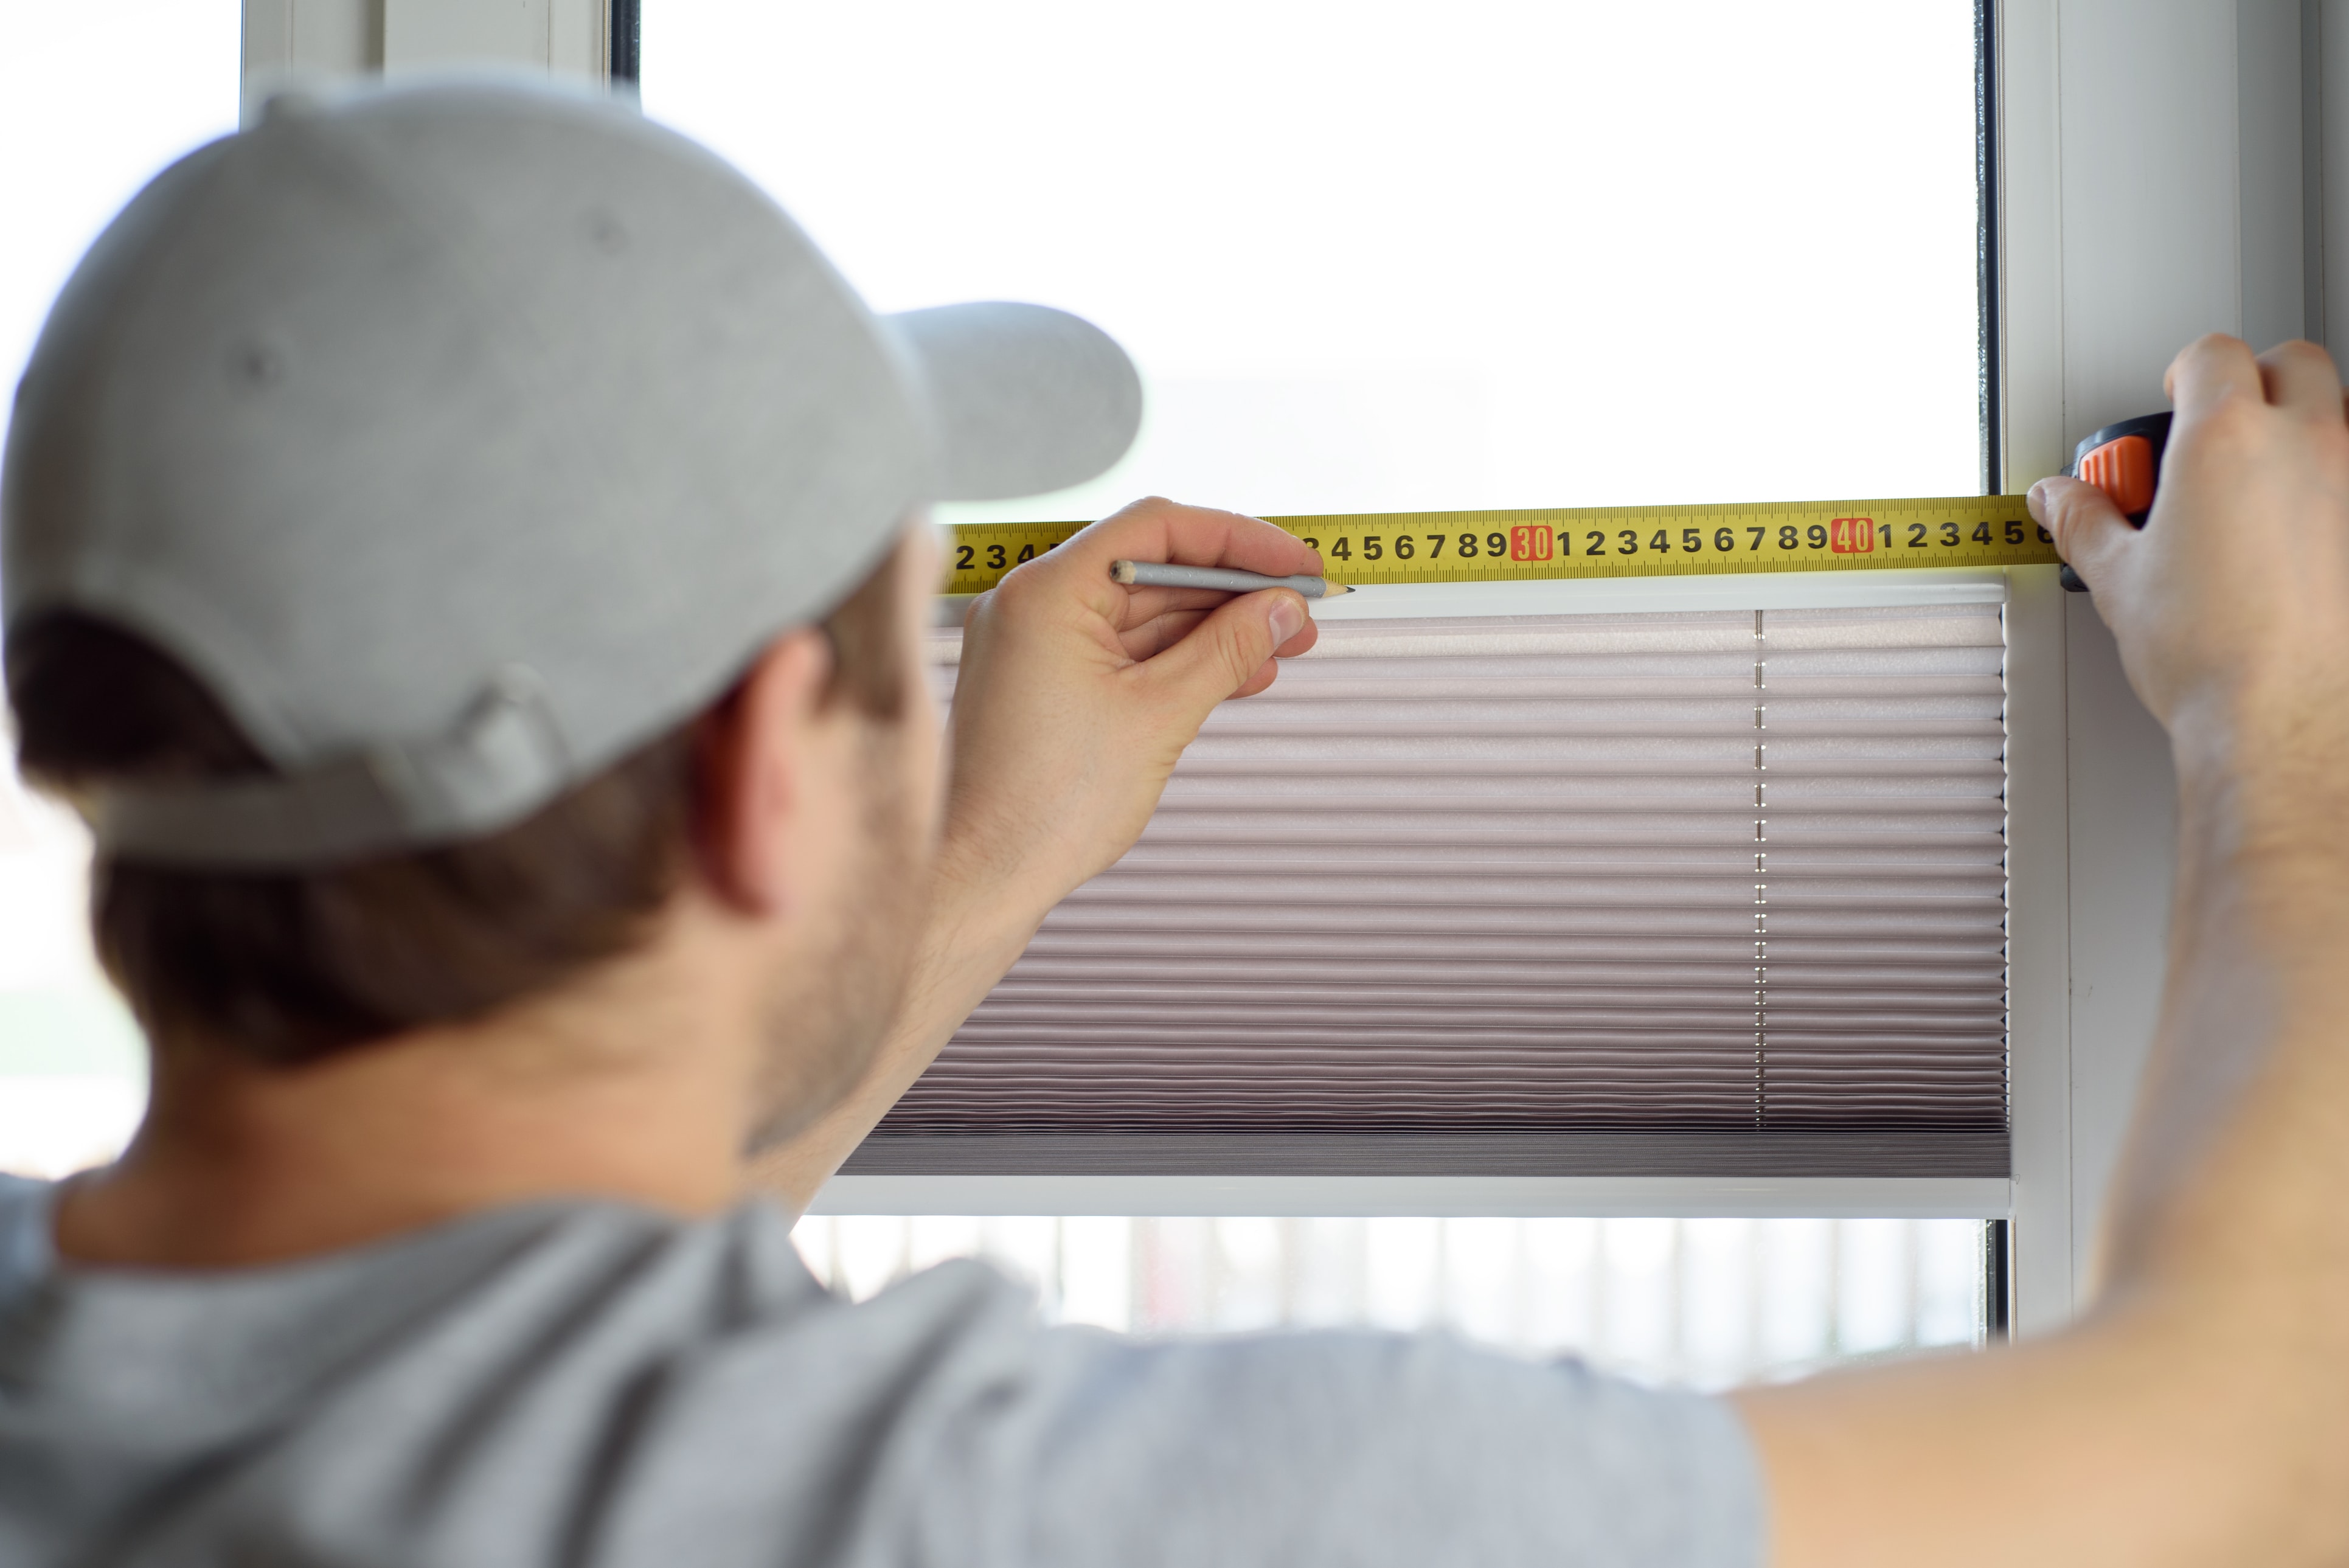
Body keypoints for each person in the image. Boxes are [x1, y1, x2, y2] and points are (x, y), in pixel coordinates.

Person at [1, 78, 2345, 1568]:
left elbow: (517, 1306)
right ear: (750, 771)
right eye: (894, 631)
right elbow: (2252, 1454)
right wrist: (2287, 719)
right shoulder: (1024, 1511)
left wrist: (992, 856)